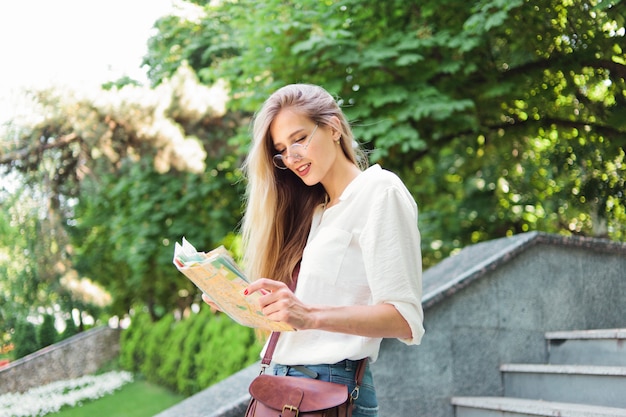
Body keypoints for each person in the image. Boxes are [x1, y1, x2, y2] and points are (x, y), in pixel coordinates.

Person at [205, 83, 424, 417]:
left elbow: (404, 319)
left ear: (333, 127)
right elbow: (299, 313)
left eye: (300, 139)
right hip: (278, 387)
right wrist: (235, 296)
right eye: (282, 149)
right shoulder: (315, 213)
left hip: (331, 391)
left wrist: (308, 315)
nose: (291, 158)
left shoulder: (379, 191)